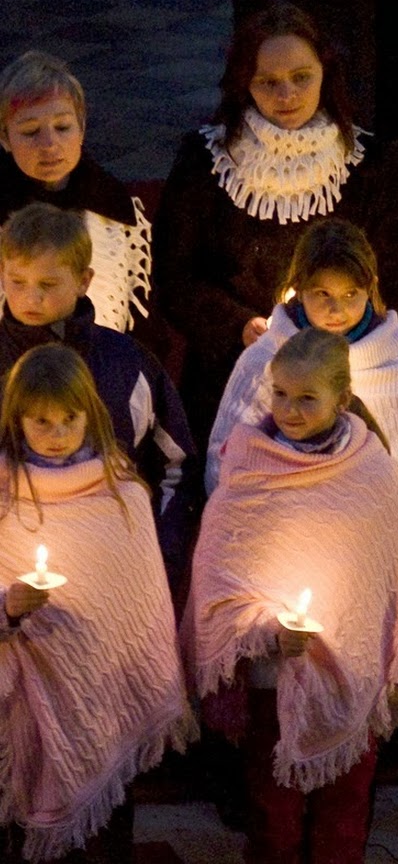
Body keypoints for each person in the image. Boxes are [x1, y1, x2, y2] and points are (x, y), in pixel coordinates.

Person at [182, 327, 398, 864]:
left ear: (341, 397)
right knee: (274, 818)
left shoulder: (369, 466)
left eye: (307, 397)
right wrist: (266, 630)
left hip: (356, 675)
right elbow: (221, 572)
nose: (289, 409)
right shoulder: (247, 464)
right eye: (280, 394)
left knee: (345, 816)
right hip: (273, 675)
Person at [153, 1, 398, 448]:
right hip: (230, 372)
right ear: (244, 84)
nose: (287, 95)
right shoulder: (207, 163)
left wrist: (345, 326)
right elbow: (174, 275)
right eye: (268, 82)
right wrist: (240, 327)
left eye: (301, 78)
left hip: (348, 370)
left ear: (325, 73)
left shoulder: (368, 163)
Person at [0, 343, 194, 863]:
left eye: (70, 418)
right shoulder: (4, 495)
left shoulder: (122, 493)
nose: (58, 432)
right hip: (25, 703)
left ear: (92, 413)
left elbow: (140, 605)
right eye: (41, 420)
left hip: (106, 692)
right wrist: (8, 608)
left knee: (106, 835)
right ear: (16, 420)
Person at [0, 202, 198, 595]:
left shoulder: (125, 362)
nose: (30, 298)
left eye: (48, 284)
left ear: (84, 280)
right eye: (17, 281)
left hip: (114, 569)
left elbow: (177, 467)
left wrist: (156, 551)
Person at [205, 217, 398, 524]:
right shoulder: (263, 361)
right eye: (323, 294)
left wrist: (371, 530)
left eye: (350, 295)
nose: (337, 311)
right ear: (299, 289)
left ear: (370, 288)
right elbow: (224, 461)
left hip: (372, 542)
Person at [0, 50, 151, 333]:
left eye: (62, 127)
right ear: (5, 138)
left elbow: (138, 318)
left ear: (81, 129)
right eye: (31, 132)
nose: (49, 144)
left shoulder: (113, 206)